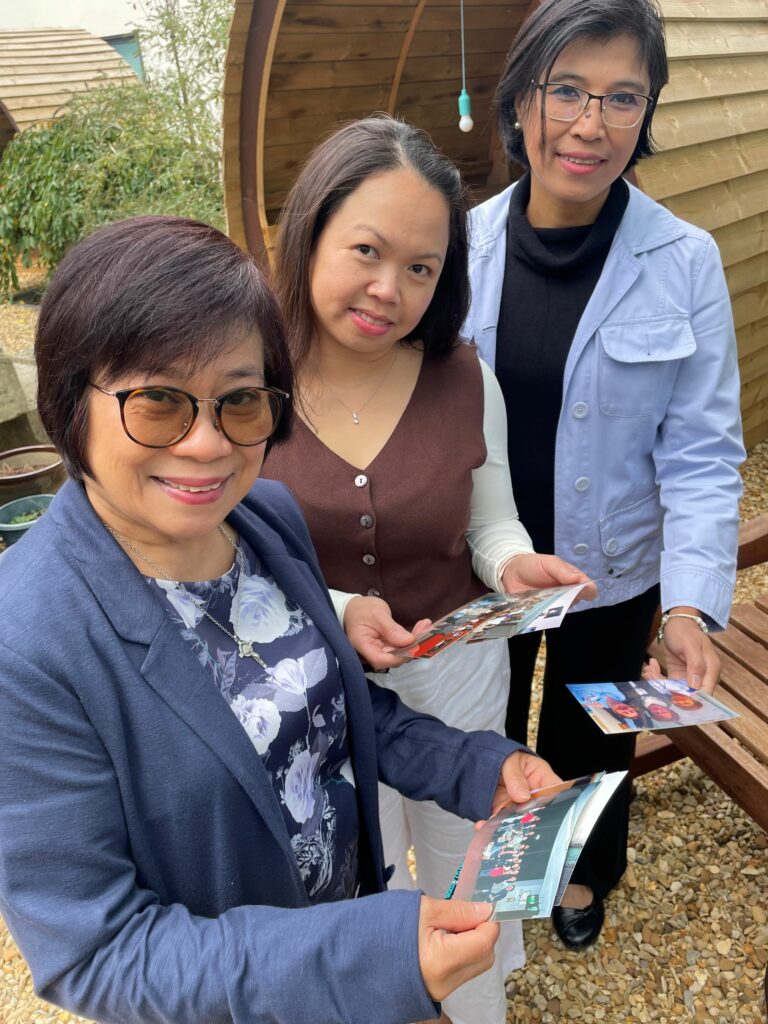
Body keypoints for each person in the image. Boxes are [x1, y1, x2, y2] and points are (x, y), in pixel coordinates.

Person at [0, 215, 566, 1024]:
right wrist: (371, 953)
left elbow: (326, 708)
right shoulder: (27, 640)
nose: (206, 445)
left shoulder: (264, 518)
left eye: (239, 401)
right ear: (67, 399)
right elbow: (96, 952)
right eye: (157, 403)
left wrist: (476, 767)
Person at [261, 116, 592, 1024]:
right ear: (311, 231)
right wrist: (337, 603)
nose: (390, 290)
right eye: (367, 251)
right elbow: (227, 550)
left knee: (467, 877)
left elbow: (490, 519)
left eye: (421, 267)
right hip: (312, 691)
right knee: (355, 882)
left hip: (458, 680)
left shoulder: (462, 377)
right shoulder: (245, 375)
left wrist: (514, 563)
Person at [463, 0, 745, 951]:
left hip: (613, 565)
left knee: (593, 731)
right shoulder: (461, 247)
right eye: (567, 91)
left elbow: (702, 452)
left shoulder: (684, 260)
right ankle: (492, 876)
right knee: (487, 725)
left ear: (647, 112)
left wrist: (690, 607)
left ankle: (583, 873)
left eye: (623, 97)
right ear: (520, 103)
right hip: (483, 563)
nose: (591, 124)